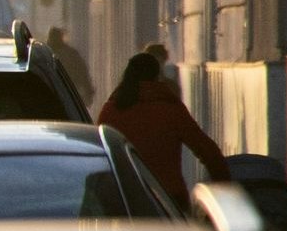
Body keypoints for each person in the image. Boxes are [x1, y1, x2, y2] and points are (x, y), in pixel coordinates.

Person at [96, 51, 231, 201]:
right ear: (157, 77)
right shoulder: (171, 109)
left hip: (124, 200)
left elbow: (96, 156)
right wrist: (225, 187)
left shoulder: (110, 111)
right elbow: (207, 151)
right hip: (169, 199)